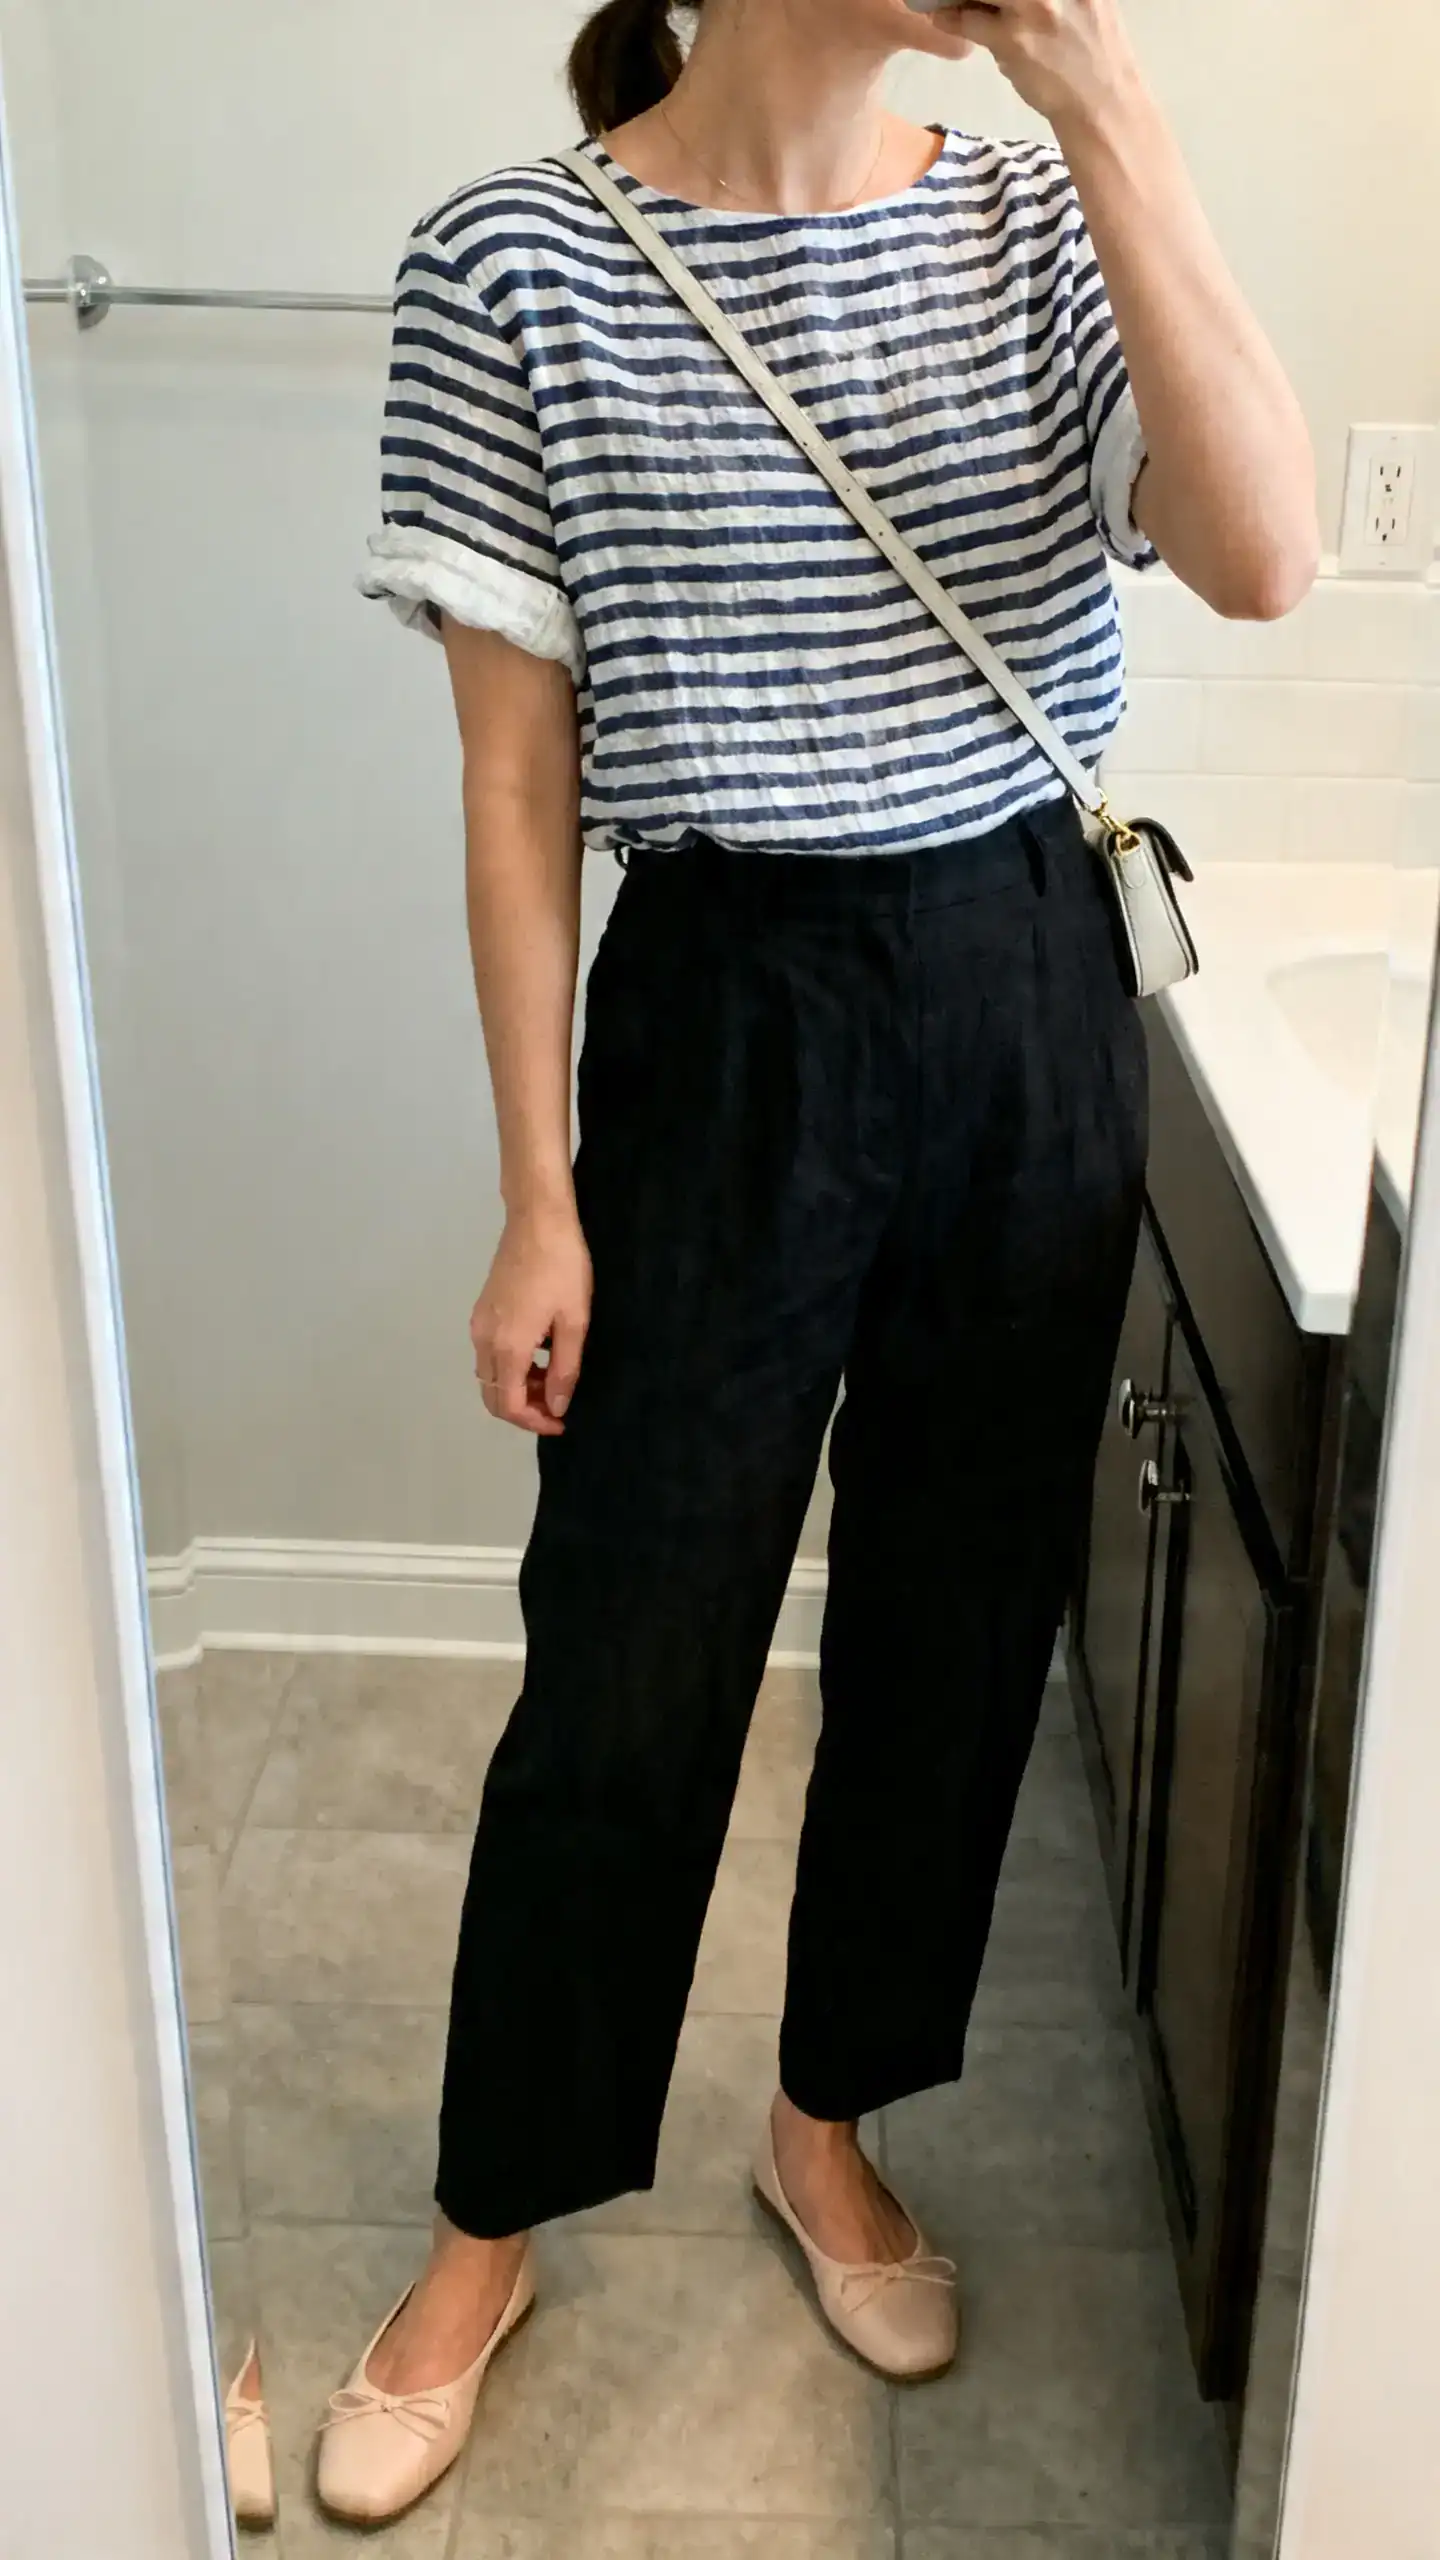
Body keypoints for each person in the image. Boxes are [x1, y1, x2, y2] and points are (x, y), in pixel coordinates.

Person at [318, 0, 1318, 2522]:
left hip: (1018, 982)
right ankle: (492, 2210)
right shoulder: (512, 262)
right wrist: (538, 1188)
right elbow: (514, 776)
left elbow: (1270, 555)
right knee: (631, 1650)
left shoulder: (1030, 216)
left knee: (961, 1622)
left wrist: (1110, 109)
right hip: (724, 1003)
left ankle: (824, 2110)